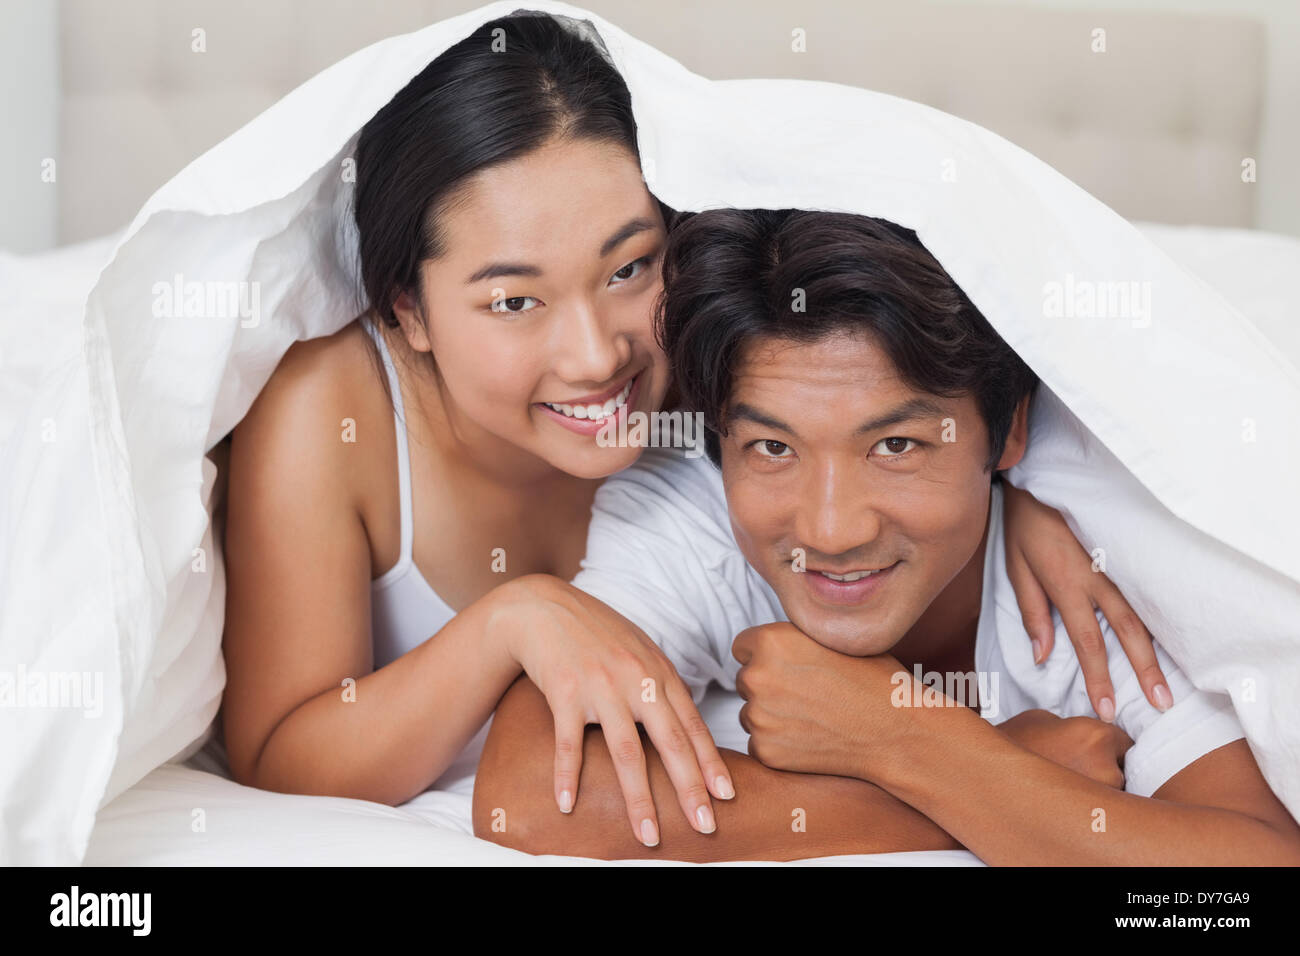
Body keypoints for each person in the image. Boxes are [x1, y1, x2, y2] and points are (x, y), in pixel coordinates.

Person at [217, 12, 1168, 849]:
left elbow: (877, 380)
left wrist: (1017, 494)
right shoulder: (328, 417)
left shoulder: (694, 362)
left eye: (628, 268)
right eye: (514, 299)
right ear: (409, 313)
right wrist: (515, 618)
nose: (596, 356)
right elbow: (276, 758)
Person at [472, 209, 1300, 864]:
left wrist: (902, 737)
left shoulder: (1091, 580)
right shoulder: (689, 511)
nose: (832, 529)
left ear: (1011, 434)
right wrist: (959, 773)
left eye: (896, 447)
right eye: (771, 447)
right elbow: (531, 796)